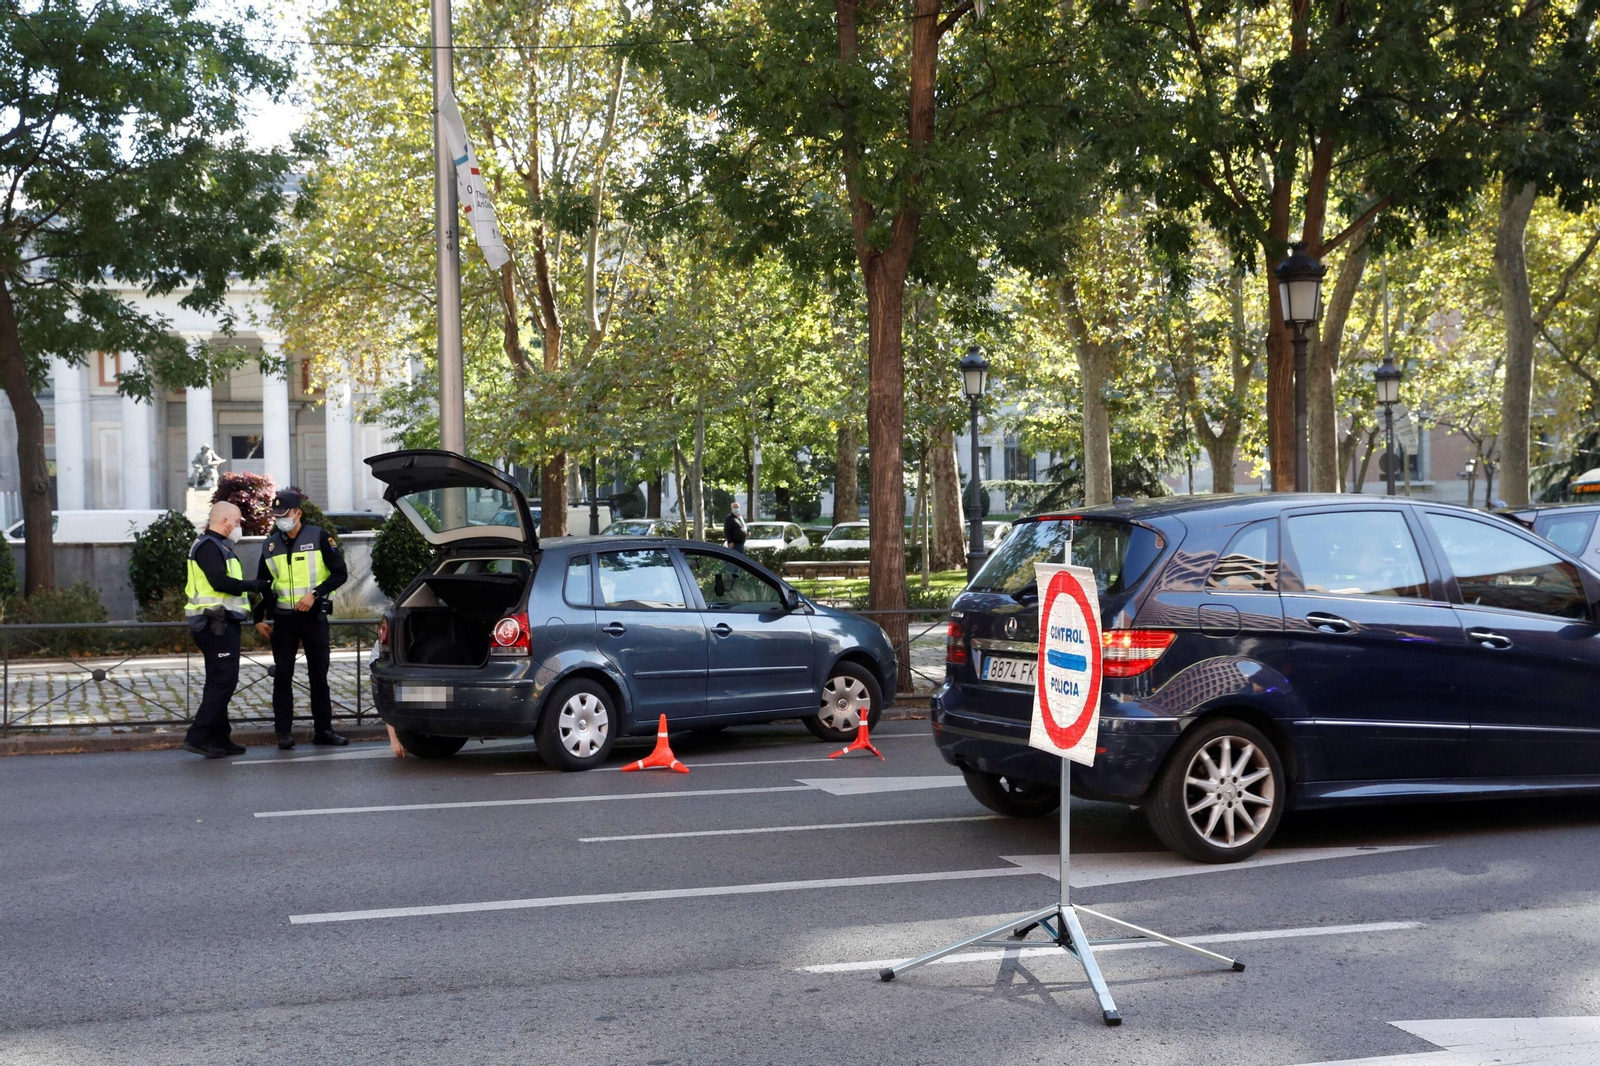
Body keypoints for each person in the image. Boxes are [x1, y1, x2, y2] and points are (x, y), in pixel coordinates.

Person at [253, 490, 349, 750]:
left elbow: (340, 574)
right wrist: (257, 618)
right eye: (276, 516)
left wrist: (315, 594)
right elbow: (264, 584)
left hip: (313, 618)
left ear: (298, 513)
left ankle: (324, 731)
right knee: (282, 676)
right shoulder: (270, 545)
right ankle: (283, 732)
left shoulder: (319, 537)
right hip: (284, 620)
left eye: (284, 515)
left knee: (319, 677)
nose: (280, 520)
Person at [182, 502, 273, 759]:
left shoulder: (220, 546)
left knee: (219, 681)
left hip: (222, 623)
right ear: (225, 521)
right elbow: (219, 582)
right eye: (238, 521)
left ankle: (219, 738)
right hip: (213, 624)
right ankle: (198, 736)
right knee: (224, 681)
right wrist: (254, 585)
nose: (239, 526)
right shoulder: (209, 546)